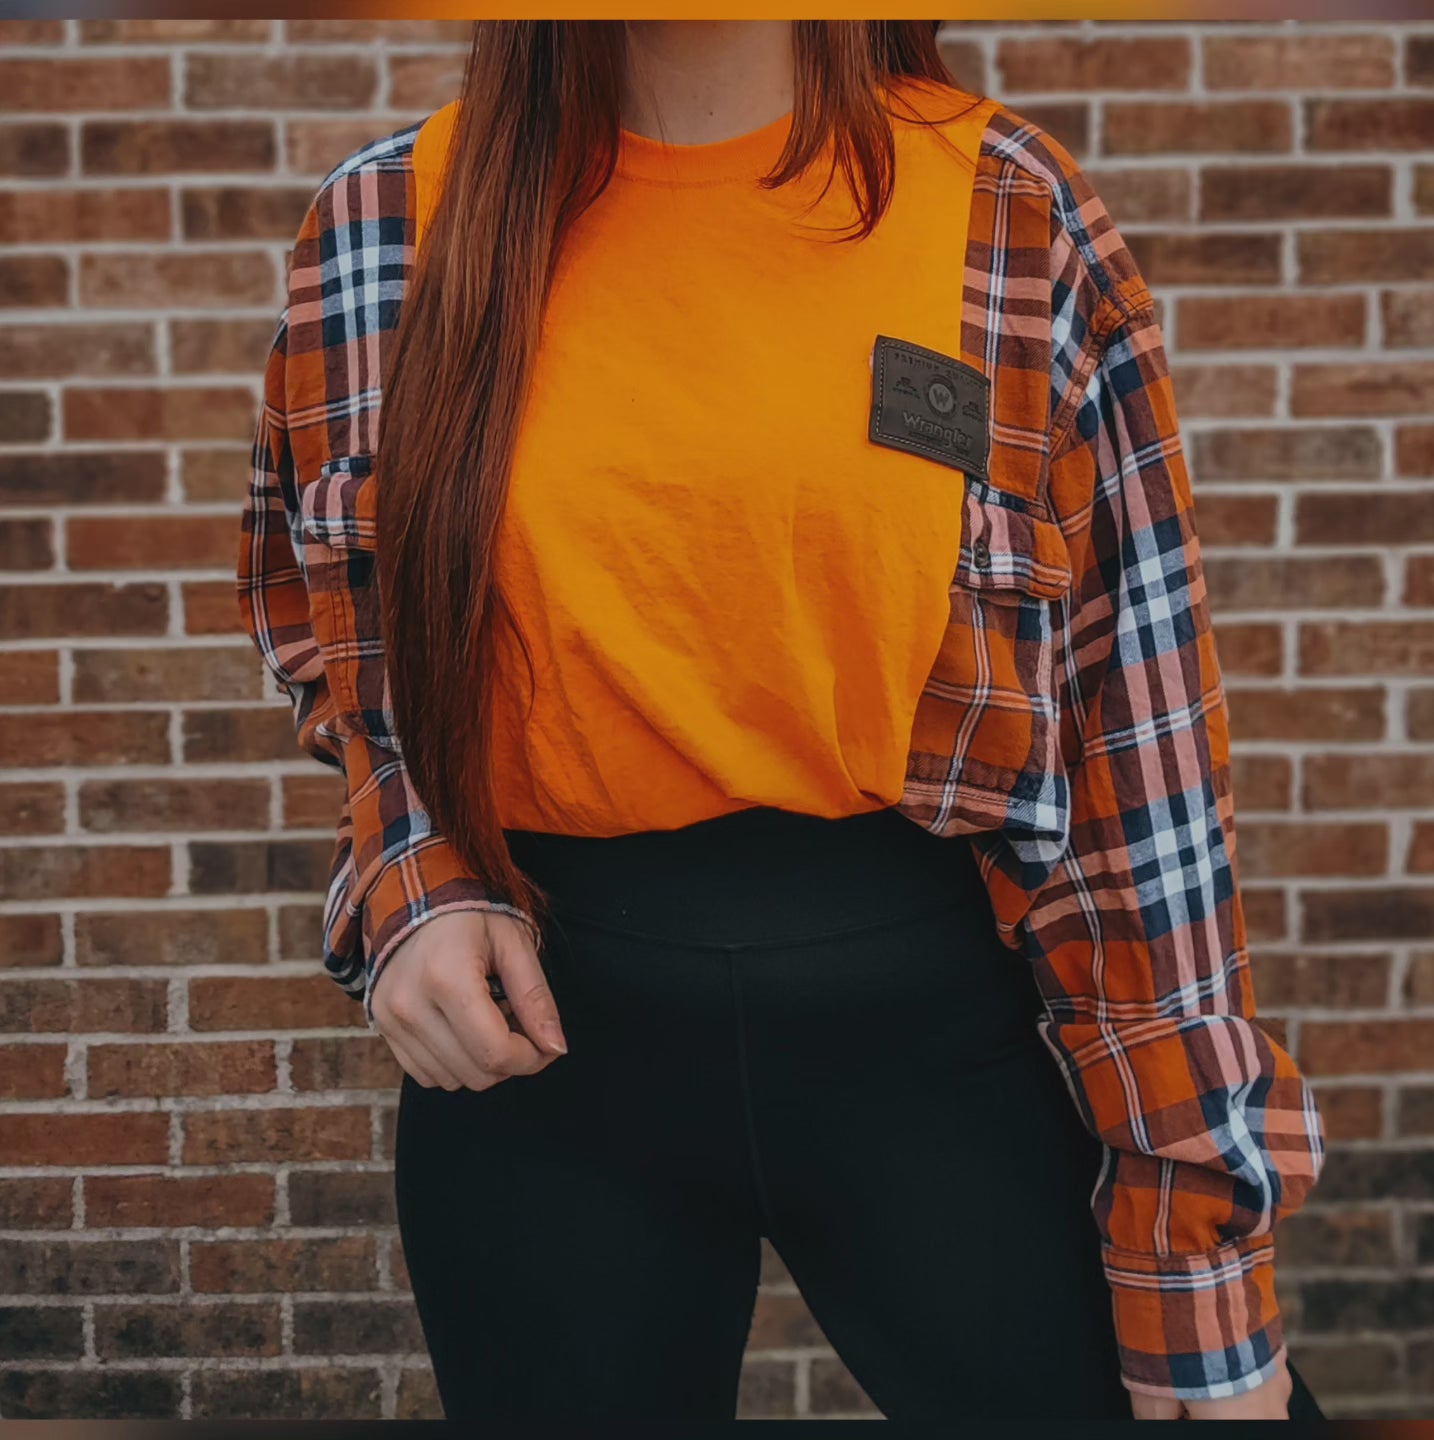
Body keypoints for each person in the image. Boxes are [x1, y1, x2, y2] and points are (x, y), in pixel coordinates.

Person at [237, 20, 1328, 1422]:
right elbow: (355, 641)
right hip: (545, 1063)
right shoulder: (389, 222)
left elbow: (1139, 752)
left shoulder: (1004, 210)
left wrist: (1200, 1268)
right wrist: (415, 877)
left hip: (932, 1031)